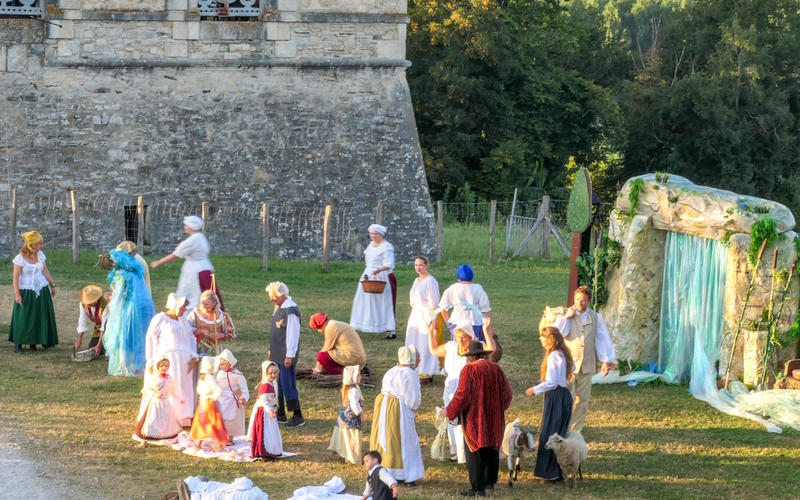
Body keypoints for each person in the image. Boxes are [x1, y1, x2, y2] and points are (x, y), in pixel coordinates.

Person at [446, 340, 512, 497]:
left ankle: (478, 487)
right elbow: (507, 395)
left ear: (470, 357)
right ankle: (490, 483)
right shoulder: (496, 368)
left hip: (475, 418)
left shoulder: (468, 370)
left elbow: (462, 395)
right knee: (491, 447)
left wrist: (449, 412)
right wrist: (498, 408)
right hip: (494, 418)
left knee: (475, 450)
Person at [427, 320, 496, 464]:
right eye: (458, 337)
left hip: (465, 387)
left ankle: (465, 453)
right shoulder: (451, 347)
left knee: (464, 421)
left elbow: (491, 349)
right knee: (451, 419)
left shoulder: (474, 349)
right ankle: (455, 452)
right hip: (450, 387)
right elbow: (434, 349)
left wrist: (486, 330)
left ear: (470, 337)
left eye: (463, 337)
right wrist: (430, 332)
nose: (460, 340)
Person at [553, 285, 616, 433]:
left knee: (582, 400)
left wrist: (605, 360)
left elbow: (602, 338)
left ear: (588, 301)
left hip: (586, 365)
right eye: (577, 300)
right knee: (567, 398)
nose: (579, 303)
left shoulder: (595, 317)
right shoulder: (567, 316)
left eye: (583, 300)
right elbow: (556, 334)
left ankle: (575, 430)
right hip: (569, 365)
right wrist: (566, 318)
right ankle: (561, 428)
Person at [369, 346, 424, 485]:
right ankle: (403, 473)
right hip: (397, 410)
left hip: (383, 406)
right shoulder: (410, 375)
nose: (420, 359)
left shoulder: (391, 371)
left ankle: (386, 470)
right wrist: (412, 410)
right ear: (411, 359)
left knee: (388, 438)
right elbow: (413, 400)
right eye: (418, 357)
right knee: (402, 439)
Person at [525, 326, 574, 482]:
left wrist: (535, 389)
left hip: (556, 398)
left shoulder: (554, 356)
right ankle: (558, 471)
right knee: (559, 433)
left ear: (550, 340)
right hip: (564, 396)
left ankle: (548, 473)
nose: (541, 341)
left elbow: (552, 382)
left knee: (550, 433)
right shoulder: (563, 354)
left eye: (543, 338)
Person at [145, 293, 199, 426]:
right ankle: (168, 417)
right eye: (183, 307)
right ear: (176, 306)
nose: (185, 309)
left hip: (184, 361)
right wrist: (151, 360)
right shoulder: (160, 318)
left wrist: (194, 356)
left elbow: (191, 338)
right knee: (170, 386)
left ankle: (183, 417)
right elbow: (151, 338)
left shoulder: (183, 320)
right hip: (168, 360)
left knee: (184, 388)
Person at [150, 215, 223, 311]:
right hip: (205, 269)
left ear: (191, 227)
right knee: (206, 294)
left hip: (194, 272)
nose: (185, 227)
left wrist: (158, 262)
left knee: (192, 294)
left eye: (186, 225)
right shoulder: (201, 237)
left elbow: (175, 254)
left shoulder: (192, 241)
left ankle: (191, 315)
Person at [104, 248, 155, 376]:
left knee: (126, 334)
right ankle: (139, 363)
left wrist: (112, 298)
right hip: (144, 305)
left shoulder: (122, 275)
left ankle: (126, 364)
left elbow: (119, 296)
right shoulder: (137, 272)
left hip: (131, 307)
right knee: (140, 334)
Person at [9, 230, 58, 353]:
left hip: (41, 290)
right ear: (31, 244)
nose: (41, 245)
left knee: (38, 317)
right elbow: (15, 277)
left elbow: (45, 271)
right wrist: (17, 295)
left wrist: (52, 284)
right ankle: (18, 343)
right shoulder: (20, 258)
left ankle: (33, 343)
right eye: (39, 243)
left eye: (41, 243)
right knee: (23, 317)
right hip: (26, 291)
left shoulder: (40, 255)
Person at [265, 281, 304, 427]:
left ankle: (297, 415)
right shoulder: (279, 307)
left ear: (281, 295)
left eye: (273, 296)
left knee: (288, 384)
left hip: (285, 354)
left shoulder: (291, 311)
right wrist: (271, 349)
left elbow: (292, 334)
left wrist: (290, 355)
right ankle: (281, 412)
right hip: (277, 352)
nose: (271, 299)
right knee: (278, 383)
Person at [350, 224, 397, 338]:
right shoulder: (371, 244)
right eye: (372, 233)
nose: (374, 236)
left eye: (376, 233)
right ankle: (356, 326)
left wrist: (378, 270)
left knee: (383, 303)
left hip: (381, 277)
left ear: (381, 234)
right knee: (362, 301)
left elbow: (389, 264)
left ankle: (390, 330)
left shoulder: (387, 246)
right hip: (367, 275)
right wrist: (370, 272)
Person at [134, 355, 184, 443]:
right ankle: (144, 440)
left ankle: (166, 436)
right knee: (151, 421)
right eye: (161, 366)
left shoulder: (169, 378)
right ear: (157, 366)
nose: (164, 368)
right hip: (155, 403)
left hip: (165, 403)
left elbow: (172, 391)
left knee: (167, 421)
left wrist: (179, 399)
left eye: (166, 366)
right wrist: (154, 394)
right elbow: (146, 389)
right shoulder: (153, 377)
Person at [405, 256, 441, 379]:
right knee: (413, 339)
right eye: (416, 265)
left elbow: (434, 303)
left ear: (426, 265)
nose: (418, 268)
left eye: (420, 265)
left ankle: (426, 369)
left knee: (424, 341)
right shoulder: (416, 280)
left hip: (426, 314)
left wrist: (433, 319)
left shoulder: (431, 281)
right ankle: (412, 365)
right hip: (416, 314)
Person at [439, 264, 491, 342]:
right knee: (476, 345)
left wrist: (448, 323)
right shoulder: (478, 288)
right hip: (475, 321)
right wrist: (489, 328)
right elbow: (486, 309)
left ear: (458, 277)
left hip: (457, 321)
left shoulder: (453, 288)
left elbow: (443, 308)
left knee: (458, 345)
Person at [328, 365, 364, 464]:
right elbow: (354, 404)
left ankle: (346, 454)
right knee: (351, 438)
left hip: (343, 418)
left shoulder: (346, 389)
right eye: (358, 375)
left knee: (346, 437)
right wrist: (360, 413)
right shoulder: (353, 391)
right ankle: (351, 456)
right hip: (351, 419)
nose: (361, 377)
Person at [190, 356, 228, 451]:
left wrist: (210, 397)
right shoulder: (209, 378)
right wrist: (212, 397)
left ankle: (203, 441)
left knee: (205, 422)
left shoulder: (203, 377)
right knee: (211, 422)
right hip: (206, 403)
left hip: (205, 402)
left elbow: (200, 390)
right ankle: (216, 442)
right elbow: (218, 390)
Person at [248, 361, 284, 461]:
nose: (273, 375)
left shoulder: (272, 383)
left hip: (269, 410)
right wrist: (270, 410)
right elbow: (264, 401)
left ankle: (269, 451)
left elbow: (273, 398)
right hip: (263, 412)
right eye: (271, 373)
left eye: (275, 373)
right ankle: (264, 452)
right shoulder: (266, 385)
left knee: (271, 432)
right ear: (266, 373)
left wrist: (275, 407)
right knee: (265, 433)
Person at [187, 290, 236, 356]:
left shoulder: (222, 316)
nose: (203, 306)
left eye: (206, 304)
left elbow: (231, 334)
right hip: (197, 350)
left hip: (216, 352)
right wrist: (199, 331)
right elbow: (185, 330)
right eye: (202, 303)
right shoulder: (194, 314)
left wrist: (222, 335)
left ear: (214, 303)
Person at [216, 349, 249, 440]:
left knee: (232, 421)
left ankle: (230, 437)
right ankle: (222, 436)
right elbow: (216, 385)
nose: (221, 366)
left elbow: (244, 388)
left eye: (223, 364)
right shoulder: (219, 374)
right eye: (220, 364)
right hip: (222, 400)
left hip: (233, 402)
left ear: (229, 363)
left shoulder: (237, 375)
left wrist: (243, 397)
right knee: (222, 419)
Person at [74, 284, 108, 357]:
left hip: (110, 330)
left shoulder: (105, 304)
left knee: (107, 350)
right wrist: (79, 340)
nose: (87, 304)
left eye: (89, 302)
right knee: (91, 349)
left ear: (96, 299)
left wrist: (98, 345)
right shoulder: (83, 304)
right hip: (98, 330)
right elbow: (82, 320)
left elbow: (104, 326)